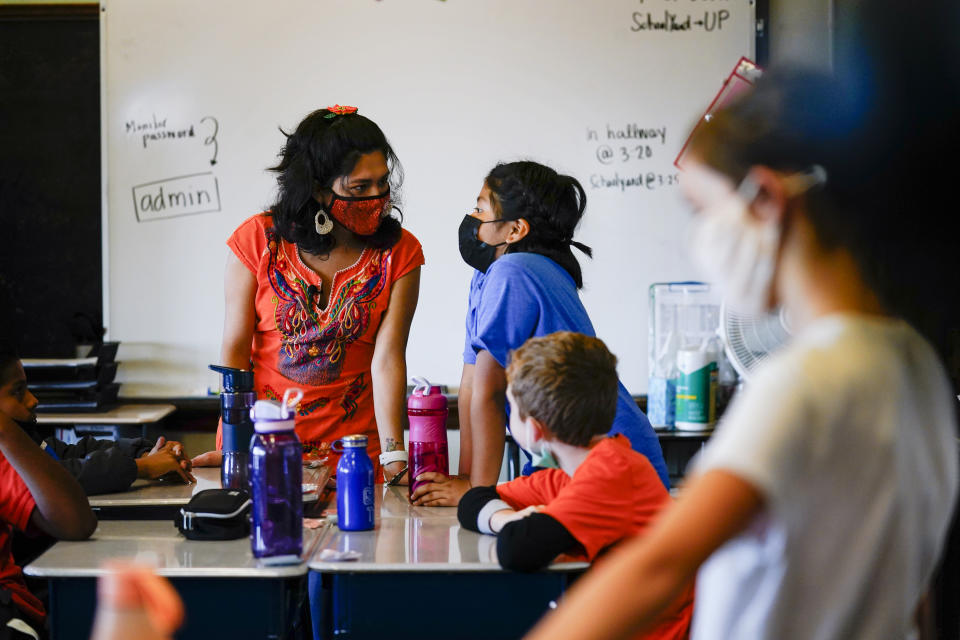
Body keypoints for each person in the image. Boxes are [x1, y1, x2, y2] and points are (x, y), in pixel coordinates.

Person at [525, 70, 958, 640]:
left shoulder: (807, 381)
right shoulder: (918, 365)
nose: (702, 238)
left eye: (703, 209)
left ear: (766, 200)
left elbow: (658, 566)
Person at [412, 160, 667, 507]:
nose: (472, 218)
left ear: (515, 229)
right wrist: (465, 482)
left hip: (604, 457)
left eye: (480, 208)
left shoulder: (512, 272)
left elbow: (489, 389)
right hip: (570, 458)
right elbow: (471, 385)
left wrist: (475, 492)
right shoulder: (490, 275)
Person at [192, 106, 423, 483]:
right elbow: (235, 353)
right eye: (359, 188)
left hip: (355, 456)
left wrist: (394, 454)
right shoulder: (257, 240)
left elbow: (388, 360)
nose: (377, 197)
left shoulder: (400, 252)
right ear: (317, 188)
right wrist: (235, 442)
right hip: (263, 447)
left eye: (382, 183)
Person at [458, 331, 693, 638]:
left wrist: (516, 524)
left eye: (510, 410)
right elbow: (473, 501)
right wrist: (507, 518)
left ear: (534, 430)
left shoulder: (612, 472)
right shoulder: (567, 474)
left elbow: (518, 549)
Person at [0, 343, 195, 495]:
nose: (33, 400)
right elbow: (62, 475)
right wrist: (142, 467)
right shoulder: (6, 461)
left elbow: (73, 453)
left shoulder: (28, 441)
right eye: (18, 391)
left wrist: (144, 454)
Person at [1, 358, 97, 638]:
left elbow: (77, 523)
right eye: (17, 391)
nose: (32, 400)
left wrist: (6, 431)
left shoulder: (10, 453)